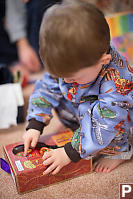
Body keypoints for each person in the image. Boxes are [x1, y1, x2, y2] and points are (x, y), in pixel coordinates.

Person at [23, 0, 133, 175]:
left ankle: (119, 152)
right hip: (79, 109)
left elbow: (106, 123)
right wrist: (35, 123)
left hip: (109, 119)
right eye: (61, 75)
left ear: (103, 61)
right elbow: (46, 87)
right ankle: (82, 135)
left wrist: (70, 152)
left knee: (114, 121)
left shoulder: (118, 82)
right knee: (55, 88)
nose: (66, 80)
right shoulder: (69, 66)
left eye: (73, 76)